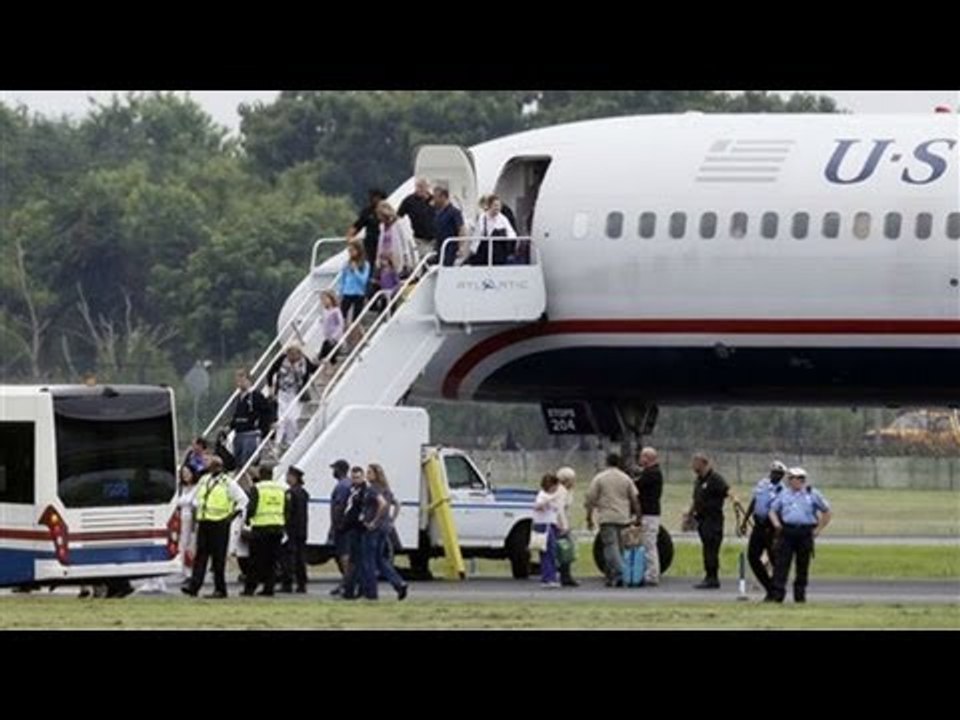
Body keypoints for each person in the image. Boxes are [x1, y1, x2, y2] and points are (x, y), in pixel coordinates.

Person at [183, 455, 248, 599]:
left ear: (220, 467)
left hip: (219, 523)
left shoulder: (228, 483)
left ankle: (220, 588)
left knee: (218, 558)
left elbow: (242, 500)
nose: (211, 468)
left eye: (213, 465)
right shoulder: (204, 480)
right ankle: (194, 586)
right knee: (201, 556)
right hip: (205, 522)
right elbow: (196, 498)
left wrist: (230, 517)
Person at [768, 467, 832, 603]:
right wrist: (776, 524)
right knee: (781, 565)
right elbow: (772, 510)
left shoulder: (812, 494)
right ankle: (778, 595)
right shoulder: (784, 494)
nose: (798, 481)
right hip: (787, 532)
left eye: (801, 478)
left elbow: (827, 512)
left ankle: (800, 596)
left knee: (802, 565)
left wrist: (818, 529)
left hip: (805, 532)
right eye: (794, 478)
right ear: (790, 480)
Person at [683, 452, 741, 589]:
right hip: (702, 520)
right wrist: (689, 515)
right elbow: (695, 500)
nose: (693, 466)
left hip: (713, 520)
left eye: (695, 463)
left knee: (711, 549)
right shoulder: (698, 480)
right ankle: (708, 576)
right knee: (706, 549)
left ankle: (713, 578)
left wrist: (735, 499)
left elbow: (728, 490)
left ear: (703, 463)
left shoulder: (715, 479)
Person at [584, 453, 640, 587]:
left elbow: (590, 498)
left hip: (607, 516)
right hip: (623, 517)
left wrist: (589, 517)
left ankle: (621, 572)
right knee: (620, 548)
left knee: (610, 547)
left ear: (606, 462)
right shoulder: (626, 478)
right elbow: (634, 498)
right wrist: (638, 515)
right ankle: (612, 576)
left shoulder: (600, 478)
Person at [739, 460, 787, 599]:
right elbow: (754, 501)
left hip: (771, 527)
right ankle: (769, 587)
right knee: (753, 557)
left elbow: (782, 510)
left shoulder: (782, 490)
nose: (775, 475)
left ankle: (777, 590)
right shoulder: (762, 484)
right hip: (758, 526)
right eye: (773, 472)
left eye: (779, 473)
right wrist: (745, 520)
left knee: (774, 559)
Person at [360, 463, 409, 600]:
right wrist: (391, 520)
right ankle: (399, 583)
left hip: (373, 528)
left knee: (368, 560)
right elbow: (397, 504)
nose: (367, 475)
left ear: (375, 475)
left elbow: (382, 504)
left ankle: (371, 593)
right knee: (380, 559)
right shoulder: (386, 489)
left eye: (369, 472)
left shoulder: (372, 489)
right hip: (385, 528)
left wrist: (373, 521)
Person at [241, 466, 287, 597]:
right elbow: (287, 508)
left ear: (260, 475)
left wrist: (248, 521)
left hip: (260, 528)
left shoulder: (257, 488)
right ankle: (269, 588)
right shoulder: (281, 489)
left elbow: (252, 507)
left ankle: (250, 588)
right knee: (271, 561)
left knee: (255, 560)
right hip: (277, 527)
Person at [266, 342, 318, 451]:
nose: (292, 356)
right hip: (282, 392)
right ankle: (278, 443)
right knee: (282, 418)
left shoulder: (304, 361)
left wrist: (322, 363)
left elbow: (313, 369)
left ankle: (290, 441)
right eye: (290, 353)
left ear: (299, 353)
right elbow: (270, 373)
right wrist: (271, 388)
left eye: (294, 354)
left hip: (296, 393)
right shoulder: (282, 360)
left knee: (292, 418)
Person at [229, 369, 273, 469]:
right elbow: (236, 415)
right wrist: (231, 426)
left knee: (247, 464)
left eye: (242, 378)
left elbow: (266, 411)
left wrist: (264, 429)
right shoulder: (239, 398)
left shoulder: (256, 396)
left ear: (248, 380)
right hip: (239, 434)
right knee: (238, 463)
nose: (239, 381)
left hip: (251, 434)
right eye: (237, 379)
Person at [634, 446, 664, 586]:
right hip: (650, 513)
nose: (640, 460)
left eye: (642, 457)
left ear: (647, 458)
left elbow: (636, 485)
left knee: (649, 545)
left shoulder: (652, 474)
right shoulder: (651, 472)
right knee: (648, 544)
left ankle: (652, 574)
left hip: (649, 514)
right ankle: (649, 572)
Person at [340, 466, 370, 600]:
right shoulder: (352, 490)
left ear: (363, 477)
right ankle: (352, 589)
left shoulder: (364, 492)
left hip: (358, 529)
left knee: (356, 562)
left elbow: (363, 510)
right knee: (354, 561)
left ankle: (352, 590)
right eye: (353, 477)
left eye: (357, 477)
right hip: (350, 528)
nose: (355, 480)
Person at [346, 188, 387, 281]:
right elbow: (357, 225)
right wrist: (349, 237)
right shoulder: (367, 212)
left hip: (384, 243)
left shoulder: (386, 210)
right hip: (370, 243)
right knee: (370, 265)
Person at [280, 465, 309, 593]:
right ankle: (301, 584)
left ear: (294, 478)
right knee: (300, 558)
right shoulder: (303, 492)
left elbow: (289, 512)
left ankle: (287, 584)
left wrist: (284, 527)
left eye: (289, 476)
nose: (287, 478)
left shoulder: (291, 493)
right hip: (302, 530)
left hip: (292, 530)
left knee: (289, 558)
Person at [532, 473, 563, 588]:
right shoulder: (543, 495)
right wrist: (548, 501)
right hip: (544, 526)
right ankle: (548, 578)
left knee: (551, 552)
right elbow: (537, 506)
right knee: (548, 552)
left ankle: (551, 576)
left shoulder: (550, 496)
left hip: (551, 525)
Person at [469, 193, 517, 266]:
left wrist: (507, 239)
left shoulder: (503, 219)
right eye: (495, 205)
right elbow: (477, 235)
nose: (497, 208)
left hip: (498, 252)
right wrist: (473, 250)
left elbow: (512, 233)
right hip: (484, 251)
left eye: (499, 206)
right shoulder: (483, 217)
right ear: (490, 206)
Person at [328, 459, 352, 596]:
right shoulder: (346, 484)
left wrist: (336, 525)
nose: (333, 472)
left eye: (334, 469)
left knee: (344, 556)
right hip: (343, 526)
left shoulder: (342, 486)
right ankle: (346, 582)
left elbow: (339, 507)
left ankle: (347, 583)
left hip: (342, 527)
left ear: (339, 470)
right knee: (343, 556)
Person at [338, 240, 371, 337]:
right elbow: (342, 279)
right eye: (349, 251)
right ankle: (342, 336)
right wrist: (341, 291)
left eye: (352, 250)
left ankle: (356, 338)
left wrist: (356, 270)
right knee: (342, 317)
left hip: (358, 293)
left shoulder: (365, 264)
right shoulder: (346, 264)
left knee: (355, 319)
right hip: (347, 293)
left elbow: (363, 280)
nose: (351, 253)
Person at [398, 177, 435, 261]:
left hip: (435, 238)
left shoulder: (434, 200)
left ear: (427, 187)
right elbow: (399, 215)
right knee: (425, 259)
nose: (420, 189)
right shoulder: (409, 201)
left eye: (422, 186)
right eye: (418, 186)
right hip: (420, 238)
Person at [375, 200, 414, 279]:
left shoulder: (399, 223)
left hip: (396, 254)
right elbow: (380, 243)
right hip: (385, 257)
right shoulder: (382, 226)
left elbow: (405, 241)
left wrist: (406, 258)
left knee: (397, 276)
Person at [177, 464, 202, 584]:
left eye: (187, 472)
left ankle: (193, 573)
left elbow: (197, 503)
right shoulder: (180, 488)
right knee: (182, 546)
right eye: (183, 473)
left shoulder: (197, 487)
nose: (185, 475)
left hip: (192, 520)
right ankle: (186, 572)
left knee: (192, 547)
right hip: (181, 520)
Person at [555, 466, 579, 587]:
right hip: (561, 524)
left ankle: (565, 574)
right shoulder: (561, 491)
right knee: (566, 551)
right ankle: (565, 576)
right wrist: (564, 525)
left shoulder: (565, 491)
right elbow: (560, 510)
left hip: (565, 522)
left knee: (566, 550)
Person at [432, 187, 466, 266]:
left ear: (443, 197)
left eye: (436, 197)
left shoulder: (454, 212)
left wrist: (460, 247)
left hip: (450, 247)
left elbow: (461, 229)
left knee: (447, 266)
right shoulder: (438, 212)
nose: (434, 200)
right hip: (439, 246)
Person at [318, 289, 344, 365]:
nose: (324, 301)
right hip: (327, 337)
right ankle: (325, 367)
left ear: (331, 299)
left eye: (325, 299)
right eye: (322, 299)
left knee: (330, 354)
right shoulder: (325, 311)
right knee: (322, 355)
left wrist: (335, 336)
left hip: (334, 338)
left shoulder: (336, 311)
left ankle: (333, 365)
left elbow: (340, 324)